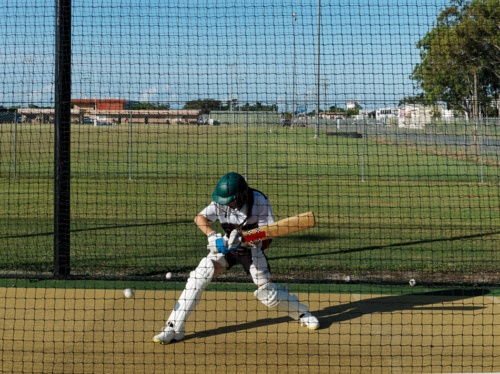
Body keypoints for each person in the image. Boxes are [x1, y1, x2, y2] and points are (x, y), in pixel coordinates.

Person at [153, 172, 320, 344]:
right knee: (199, 276)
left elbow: (268, 233)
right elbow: (199, 217)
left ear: (241, 196)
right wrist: (211, 235)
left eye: (230, 201)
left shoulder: (259, 201)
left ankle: (302, 313)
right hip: (227, 246)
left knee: (269, 295)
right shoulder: (221, 201)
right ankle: (173, 328)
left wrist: (243, 237)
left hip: (251, 249)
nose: (225, 204)